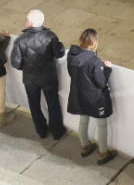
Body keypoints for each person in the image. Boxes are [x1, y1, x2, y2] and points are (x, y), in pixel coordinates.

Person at [10, 9, 66, 140]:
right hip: (49, 77)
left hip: (30, 80)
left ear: (29, 23)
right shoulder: (50, 36)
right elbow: (60, 53)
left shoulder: (20, 40)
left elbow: (15, 63)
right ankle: (57, 132)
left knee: (34, 105)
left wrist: (29, 68)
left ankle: (41, 131)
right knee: (53, 104)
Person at [66, 29, 119, 165]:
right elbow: (101, 82)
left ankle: (85, 146)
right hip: (95, 98)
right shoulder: (94, 60)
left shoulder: (71, 55)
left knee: (83, 121)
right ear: (94, 42)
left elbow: (72, 74)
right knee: (102, 124)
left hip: (79, 95)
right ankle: (103, 153)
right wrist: (107, 68)